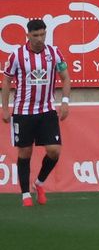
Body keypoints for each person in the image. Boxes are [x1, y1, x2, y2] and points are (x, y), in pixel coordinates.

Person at [2, 17, 71, 207]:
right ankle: (25, 194)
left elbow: (65, 77)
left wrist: (65, 102)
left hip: (46, 110)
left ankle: (39, 183)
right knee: (25, 152)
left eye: (43, 34)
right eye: (36, 35)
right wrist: (5, 108)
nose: (40, 38)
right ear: (28, 35)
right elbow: (6, 81)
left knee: (54, 151)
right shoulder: (16, 55)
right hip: (23, 112)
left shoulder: (54, 53)